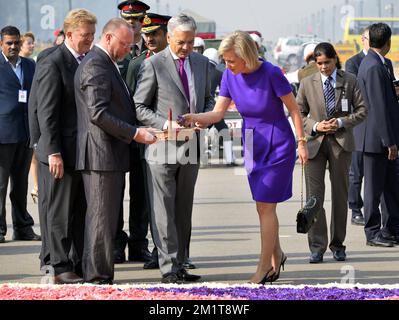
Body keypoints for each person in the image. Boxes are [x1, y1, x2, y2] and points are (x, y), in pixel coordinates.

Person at [181, 30, 308, 284]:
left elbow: (294, 109)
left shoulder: (271, 72)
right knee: (262, 207)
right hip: (252, 143)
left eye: (231, 60)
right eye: (225, 60)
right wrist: (195, 118)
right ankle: (278, 254)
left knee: (266, 204)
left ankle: (263, 268)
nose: (227, 65)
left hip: (277, 142)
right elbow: (217, 114)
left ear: (246, 56)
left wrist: (302, 142)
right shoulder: (230, 74)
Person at [74, 18, 157, 285]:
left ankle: (99, 274)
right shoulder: (96, 65)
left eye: (130, 45)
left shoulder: (106, 63)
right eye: (124, 44)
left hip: (108, 155)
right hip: (101, 155)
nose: (126, 50)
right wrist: (134, 133)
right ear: (108, 38)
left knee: (104, 219)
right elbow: (98, 113)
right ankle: (97, 278)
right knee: (101, 220)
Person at [133, 13, 214, 283]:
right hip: (162, 147)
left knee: (183, 210)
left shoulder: (202, 63)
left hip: (191, 146)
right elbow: (139, 107)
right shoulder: (154, 64)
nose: (187, 48)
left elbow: (208, 99)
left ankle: (180, 263)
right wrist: (165, 125)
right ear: (168, 38)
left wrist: (203, 116)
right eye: (181, 42)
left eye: (191, 42)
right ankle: (168, 268)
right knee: (163, 211)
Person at [29, 9, 97, 284]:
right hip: (59, 151)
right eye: (85, 35)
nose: (90, 40)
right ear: (69, 34)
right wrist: (51, 151)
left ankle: (77, 262)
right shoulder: (53, 62)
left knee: (80, 210)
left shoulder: (88, 59)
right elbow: (45, 112)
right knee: (58, 211)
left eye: (93, 34)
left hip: (81, 150)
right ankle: (58, 265)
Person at [297, 42, 367, 264]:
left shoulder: (350, 81)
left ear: (335, 59)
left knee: (340, 196)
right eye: (319, 63)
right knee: (314, 198)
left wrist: (340, 122)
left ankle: (338, 245)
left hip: (341, 144)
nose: (324, 67)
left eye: (327, 62)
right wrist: (316, 126)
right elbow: (298, 112)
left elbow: (363, 110)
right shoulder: (307, 83)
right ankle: (317, 246)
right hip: (314, 145)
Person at [125, 12, 171, 270]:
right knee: (145, 196)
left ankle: (168, 250)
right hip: (146, 138)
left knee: (166, 199)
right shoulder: (137, 63)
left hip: (175, 137)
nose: (150, 39)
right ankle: (146, 246)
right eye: (146, 34)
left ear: (166, 34)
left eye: (155, 34)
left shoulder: (178, 61)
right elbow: (131, 102)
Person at [112, 0, 151, 265]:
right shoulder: (112, 51)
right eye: (128, 20)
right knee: (113, 192)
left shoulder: (151, 52)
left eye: (137, 20)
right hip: (116, 133)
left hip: (143, 133)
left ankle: (139, 244)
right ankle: (115, 244)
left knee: (142, 193)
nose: (133, 24)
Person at [345, 27, 397, 227]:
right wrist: (389, 140)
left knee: (386, 185)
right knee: (367, 182)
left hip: (379, 134)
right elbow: (377, 105)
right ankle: (371, 227)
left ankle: (389, 228)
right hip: (371, 134)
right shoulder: (369, 65)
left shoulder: (381, 63)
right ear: (387, 43)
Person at [0, 26, 39, 244]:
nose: (14, 46)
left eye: (16, 42)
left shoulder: (29, 65)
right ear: (1, 44)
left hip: (25, 133)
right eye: (9, 43)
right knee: (1, 186)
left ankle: (23, 227)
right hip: (3, 134)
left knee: (21, 184)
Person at [18, 32, 39, 204]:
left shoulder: (31, 64)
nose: (32, 46)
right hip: (13, 123)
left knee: (34, 154)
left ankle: (37, 186)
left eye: (33, 43)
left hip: (30, 117)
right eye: (29, 43)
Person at [117, 0, 150, 80]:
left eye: (136, 18)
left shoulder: (151, 50)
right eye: (127, 18)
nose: (131, 21)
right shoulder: (113, 51)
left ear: (144, 21)